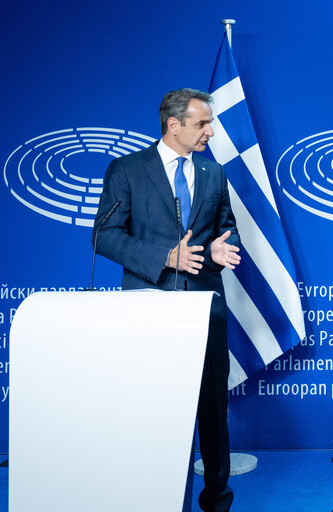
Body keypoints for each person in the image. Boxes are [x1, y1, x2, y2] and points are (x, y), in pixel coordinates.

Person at [91, 88, 241, 512]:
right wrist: (165, 257)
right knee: (152, 410)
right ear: (173, 125)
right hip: (149, 312)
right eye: (202, 123)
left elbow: (226, 228)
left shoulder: (213, 174)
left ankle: (217, 500)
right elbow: (104, 235)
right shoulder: (127, 170)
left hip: (206, 309)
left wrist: (217, 248)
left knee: (213, 412)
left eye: (209, 123)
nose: (210, 131)